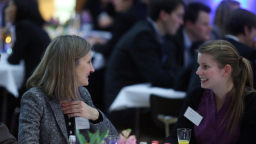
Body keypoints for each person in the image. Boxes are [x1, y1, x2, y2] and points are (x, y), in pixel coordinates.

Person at [18, 35, 118, 143]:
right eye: (89, 62)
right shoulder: (35, 98)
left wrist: (95, 115)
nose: (92, 69)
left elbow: (113, 139)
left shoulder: (82, 94)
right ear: (70, 65)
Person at [165, 40, 256, 144]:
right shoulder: (197, 96)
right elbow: (178, 135)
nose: (198, 71)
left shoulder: (251, 102)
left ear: (226, 70)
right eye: (198, 65)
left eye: (205, 66)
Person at [105, 0, 184, 111]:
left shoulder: (158, 34)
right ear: (164, 15)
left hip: (138, 100)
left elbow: (170, 69)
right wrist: (185, 80)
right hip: (124, 105)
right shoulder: (143, 35)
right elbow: (158, 78)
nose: (181, 22)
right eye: (179, 16)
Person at [5, 0, 51, 95]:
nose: (6, 10)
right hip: (46, 79)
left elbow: (14, 59)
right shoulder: (35, 27)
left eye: (10, 6)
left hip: (36, 84)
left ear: (21, 8)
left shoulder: (24, 26)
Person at [224, 8, 256, 87]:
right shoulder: (248, 53)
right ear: (246, 30)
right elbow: (251, 88)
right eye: (255, 30)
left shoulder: (208, 46)